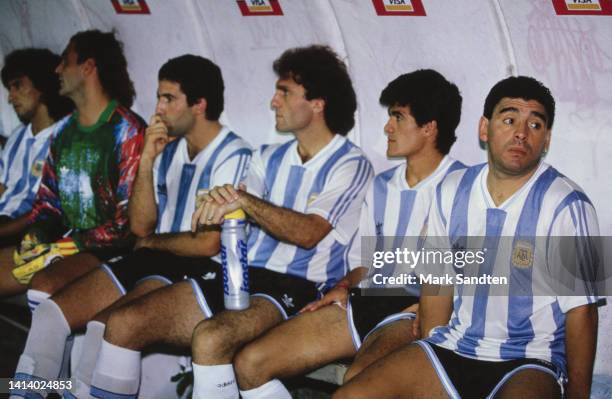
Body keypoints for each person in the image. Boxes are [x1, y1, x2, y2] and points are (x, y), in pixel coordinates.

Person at [334, 76, 601, 399]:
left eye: (535, 124)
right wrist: (429, 351)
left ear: (546, 140)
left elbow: (582, 312)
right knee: (352, 395)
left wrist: (579, 394)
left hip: (529, 360)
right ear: (484, 129)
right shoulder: (452, 190)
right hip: (455, 345)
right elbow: (437, 286)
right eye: (509, 119)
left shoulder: (568, 203)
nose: (521, 132)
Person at [10, 54, 252, 399]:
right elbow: (140, 227)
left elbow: (208, 245)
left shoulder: (235, 154)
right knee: (49, 314)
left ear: (199, 104)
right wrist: (147, 162)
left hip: (194, 269)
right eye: (158, 97)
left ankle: (75, 393)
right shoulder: (167, 150)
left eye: (168, 98)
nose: (158, 109)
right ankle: (29, 393)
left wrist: (152, 242)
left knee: (101, 330)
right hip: (153, 256)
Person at [230, 69, 466, 398]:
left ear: (429, 128)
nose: (387, 127)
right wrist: (343, 286)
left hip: (413, 309)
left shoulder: (464, 187)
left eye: (398, 117)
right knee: (250, 362)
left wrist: (433, 309)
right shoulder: (382, 186)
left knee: (357, 380)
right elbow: (363, 264)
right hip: (367, 301)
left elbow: (474, 272)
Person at [185, 44, 373, 399]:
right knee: (124, 322)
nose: (274, 101)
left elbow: (308, 233)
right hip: (248, 275)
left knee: (212, 339)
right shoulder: (266, 156)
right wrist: (222, 201)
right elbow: (240, 202)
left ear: (318, 104)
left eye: (284, 92)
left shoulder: (350, 163)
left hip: (301, 283)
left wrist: (242, 201)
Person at [7, 29, 145, 397]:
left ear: (88, 67)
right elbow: (48, 203)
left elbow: (128, 226)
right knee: (36, 278)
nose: (57, 69)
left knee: (42, 291)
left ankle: (56, 387)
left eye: (64, 60)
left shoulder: (126, 131)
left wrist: (65, 248)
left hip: (112, 252)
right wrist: (36, 239)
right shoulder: (64, 131)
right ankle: (50, 387)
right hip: (70, 247)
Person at [0, 48, 73, 246]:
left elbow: (48, 210)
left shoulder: (65, 137)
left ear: (42, 85)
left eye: (17, 86)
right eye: (9, 89)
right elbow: (3, 188)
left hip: (31, 229)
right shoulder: (17, 137)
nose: (10, 97)